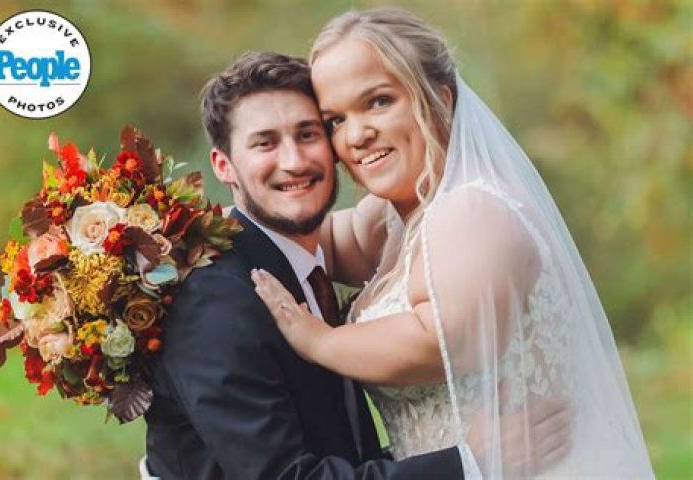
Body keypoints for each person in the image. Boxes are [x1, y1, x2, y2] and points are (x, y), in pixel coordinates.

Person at [252, 8, 654, 479]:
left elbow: (447, 341)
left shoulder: (474, 211)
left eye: (378, 102)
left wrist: (319, 342)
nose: (357, 135)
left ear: (439, 98)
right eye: (335, 120)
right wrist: (196, 228)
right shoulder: (392, 218)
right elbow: (307, 238)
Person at [145, 50, 562, 479]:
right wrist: (469, 463)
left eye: (308, 134)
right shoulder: (215, 297)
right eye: (265, 143)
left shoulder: (303, 265)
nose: (294, 161)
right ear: (224, 166)